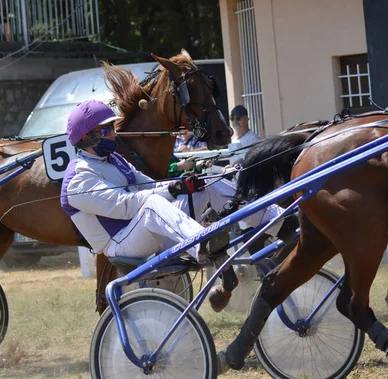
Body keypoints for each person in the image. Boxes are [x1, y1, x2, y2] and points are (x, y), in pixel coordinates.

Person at [60, 100, 296, 311]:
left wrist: (182, 185)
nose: (113, 134)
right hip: (121, 244)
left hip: (148, 228)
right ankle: (204, 244)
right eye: (105, 130)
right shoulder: (79, 179)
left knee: (207, 182)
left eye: (112, 128)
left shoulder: (114, 160)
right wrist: (170, 191)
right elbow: (124, 206)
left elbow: (149, 186)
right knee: (152, 204)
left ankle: (280, 222)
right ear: (84, 138)